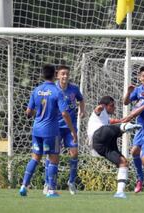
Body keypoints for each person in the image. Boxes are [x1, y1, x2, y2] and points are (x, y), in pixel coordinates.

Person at [19, 64, 77, 197]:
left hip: (36, 130)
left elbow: (28, 112)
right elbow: (64, 114)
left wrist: (36, 112)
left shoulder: (36, 90)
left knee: (35, 158)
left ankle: (23, 186)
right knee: (53, 159)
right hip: (51, 131)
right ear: (55, 74)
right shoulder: (57, 92)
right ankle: (51, 190)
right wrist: (73, 131)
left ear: (43, 75)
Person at [87, 96, 141, 199]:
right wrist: (100, 107)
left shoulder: (106, 118)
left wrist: (135, 114)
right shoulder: (99, 112)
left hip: (103, 146)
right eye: (112, 105)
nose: (114, 107)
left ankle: (119, 192)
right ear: (104, 106)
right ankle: (127, 127)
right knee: (108, 129)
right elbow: (97, 110)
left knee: (123, 162)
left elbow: (120, 120)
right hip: (98, 137)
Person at [43, 65, 85, 195]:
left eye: (67, 74)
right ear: (57, 75)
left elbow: (81, 99)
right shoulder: (52, 89)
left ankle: (71, 182)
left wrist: (82, 110)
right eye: (62, 74)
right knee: (52, 156)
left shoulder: (74, 89)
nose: (65, 76)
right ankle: (48, 183)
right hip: (55, 128)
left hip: (70, 128)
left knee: (74, 153)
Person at [123, 65, 144, 192]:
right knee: (134, 152)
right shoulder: (137, 90)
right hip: (140, 126)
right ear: (140, 77)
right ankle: (139, 178)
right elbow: (125, 102)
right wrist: (129, 93)